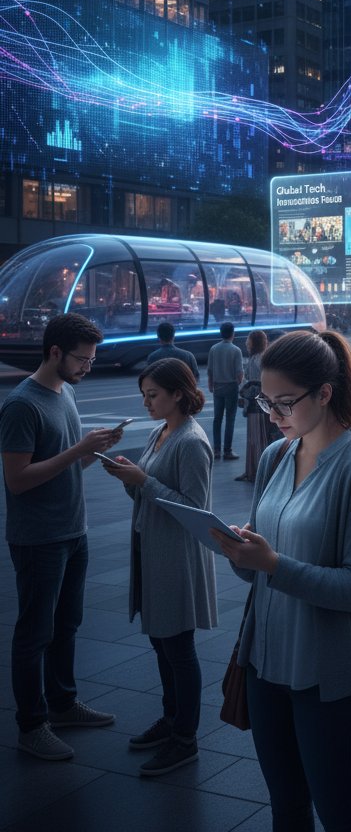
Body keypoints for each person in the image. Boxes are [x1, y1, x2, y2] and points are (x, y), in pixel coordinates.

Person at [211, 330, 351, 831]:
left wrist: (274, 565)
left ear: (325, 393)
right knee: (287, 809)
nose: (273, 414)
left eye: (285, 402)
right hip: (266, 664)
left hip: (330, 677)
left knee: (339, 812)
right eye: (265, 400)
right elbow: (257, 572)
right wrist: (240, 553)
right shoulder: (276, 457)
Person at [0, 313, 122, 760]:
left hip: (74, 531)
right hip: (38, 539)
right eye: (82, 359)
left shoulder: (66, 392)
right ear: (54, 352)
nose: (88, 367)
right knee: (35, 633)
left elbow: (63, 466)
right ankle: (31, 726)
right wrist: (78, 449)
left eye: (91, 359)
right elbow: (17, 480)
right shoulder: (21, 406)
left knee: (67, 625)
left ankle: (64, 703)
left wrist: (94, 454)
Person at [98, 359, 216, 776]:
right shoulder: (160, 432)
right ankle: (171, 720)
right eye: (144, 396)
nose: (146, 403)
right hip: (153, 550)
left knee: (178, 648)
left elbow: (196, 509)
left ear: (178, 394)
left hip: (176, 558)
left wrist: (142, 481)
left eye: (153, 396)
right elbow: (148, 492)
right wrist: (130, 480)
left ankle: (185, 737)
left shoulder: (191, 441)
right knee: (161, 643)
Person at [238, 330, 276, 482]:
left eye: (249, 340)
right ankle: (255, 470)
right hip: (260, 401)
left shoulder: (257, 359)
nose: (247, 343)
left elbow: (254, 380)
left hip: (257, 402)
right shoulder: (260, 358)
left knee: (256, 437)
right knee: (259, 436)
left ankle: (255, 470)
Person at [207, 321, 244, 461]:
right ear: (232, 334)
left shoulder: (214, 349)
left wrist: (211, 385)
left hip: (218, 387)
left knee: (217, 419)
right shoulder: (236, 350)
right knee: (230, 419)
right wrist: (241, 385)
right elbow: (239, 373)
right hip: (231, 387)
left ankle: (216, 450)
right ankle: (227, 451)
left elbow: (210, 370)